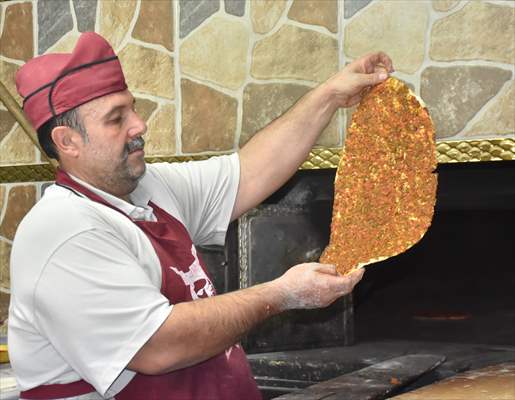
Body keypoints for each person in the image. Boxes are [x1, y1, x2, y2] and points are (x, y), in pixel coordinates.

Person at [8, 32, 393, 400]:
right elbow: (157, 346)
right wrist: (282, 294)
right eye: (116, 118)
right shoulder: (63, 231)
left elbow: (250, 172)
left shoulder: (148, 189)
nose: (139, 125)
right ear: (67, 141)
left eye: (133, 108)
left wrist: (328, 96)